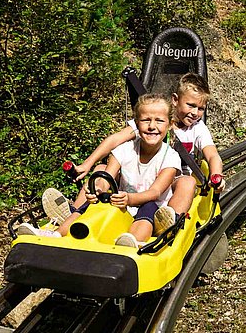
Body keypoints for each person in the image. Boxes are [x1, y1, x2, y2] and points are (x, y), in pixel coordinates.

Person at [41, 72, 225, 236]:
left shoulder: (197, 129)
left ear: (166, 124)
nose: (195, 113)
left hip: (170, 181)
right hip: (140, 177)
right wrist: (87, 164)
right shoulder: (150, 121)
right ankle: (76, 210)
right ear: (175, 100)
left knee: (188, 181)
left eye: (200, 109)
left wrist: (216, 176)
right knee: (102, 168)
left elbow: (213, 155)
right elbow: (114, 140)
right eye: (191, 105)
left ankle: (167, 221)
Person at [18, 93, 181, 247]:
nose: (152, 126)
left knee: (149, 207)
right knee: (91, 203)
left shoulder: (170, 157)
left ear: (170, 124)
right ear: (136, 124)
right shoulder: (124, 150)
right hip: (121, 203)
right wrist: (97, 189)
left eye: (159, 121)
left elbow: (155, 192)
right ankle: (57, 234)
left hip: (148, 205)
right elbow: (106, 177)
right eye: (146, 120)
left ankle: (132, 242)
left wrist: (129, 199)